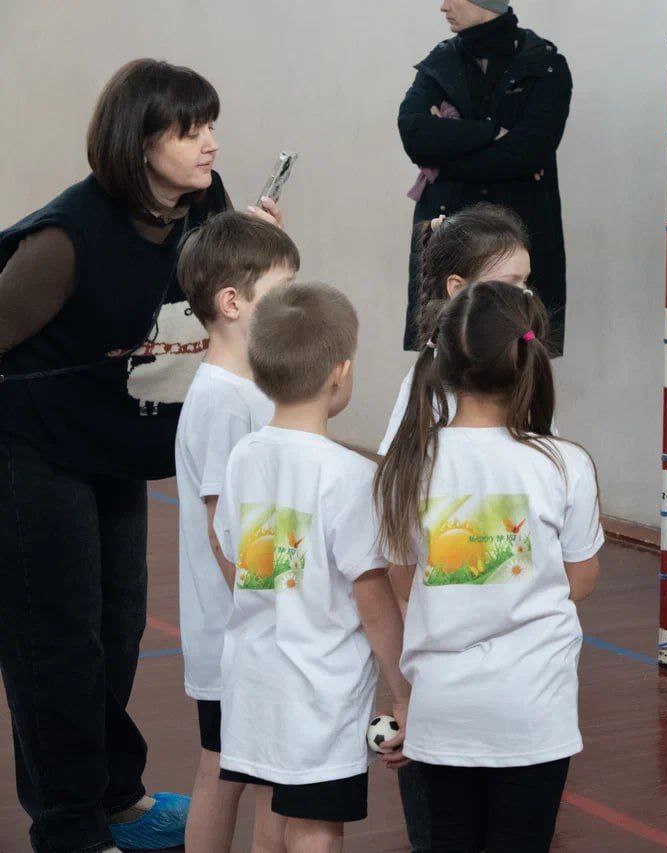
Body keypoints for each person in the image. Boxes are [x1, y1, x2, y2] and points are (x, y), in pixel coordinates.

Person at [0, 58, 281, 853]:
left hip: (112, 444)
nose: (210, 143)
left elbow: (228, 303)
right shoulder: (63, 241)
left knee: (117, 627)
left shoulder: (206, 207)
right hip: (30, 443)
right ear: (139, 140)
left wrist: (256, 250)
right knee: (56, 638)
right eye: (190, 130)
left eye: (212, 125)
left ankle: (116, 797)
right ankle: (69, 827)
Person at [377, 282, 603, 853]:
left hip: (443, 709)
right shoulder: (565, 463)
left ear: (444, 363)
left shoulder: (409, 464)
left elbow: (402, 578)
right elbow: (580, 578)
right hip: (534, 708)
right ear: (529, 357)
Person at [213, 283, 411, 851]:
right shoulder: (351, 477)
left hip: (252, 683)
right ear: (339, 373)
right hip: (320, 695)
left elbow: (231, 549)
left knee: (268, 823)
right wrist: (404, 690)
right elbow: (374, 604)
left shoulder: (243, 456)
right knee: (315, 831)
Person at [173, 212, 299, 851]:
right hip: (241, 631)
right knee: (246, 772)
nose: (295, 308)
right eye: (282, 293)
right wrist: (271, 613)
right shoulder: (224, 400)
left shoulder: (245, 390)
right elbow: (225, 532)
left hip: (246, 627)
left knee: (233, 769)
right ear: (233, 303)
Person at [398, 0, 572, 354]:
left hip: (519, 231)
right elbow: (414, 134)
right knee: (444, 355)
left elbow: (528, 152)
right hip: (450, 233)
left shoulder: (543, 65)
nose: (443, 6)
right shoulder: (440, 62)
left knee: (517, 357)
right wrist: (493, 132)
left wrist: (446, 157)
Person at [380, 203, 531, 456]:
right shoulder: (431, 374)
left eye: (525, 281)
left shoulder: (524, 360)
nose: (525, 294)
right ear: (458, 289)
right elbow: (396, 463)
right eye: (510, 282)